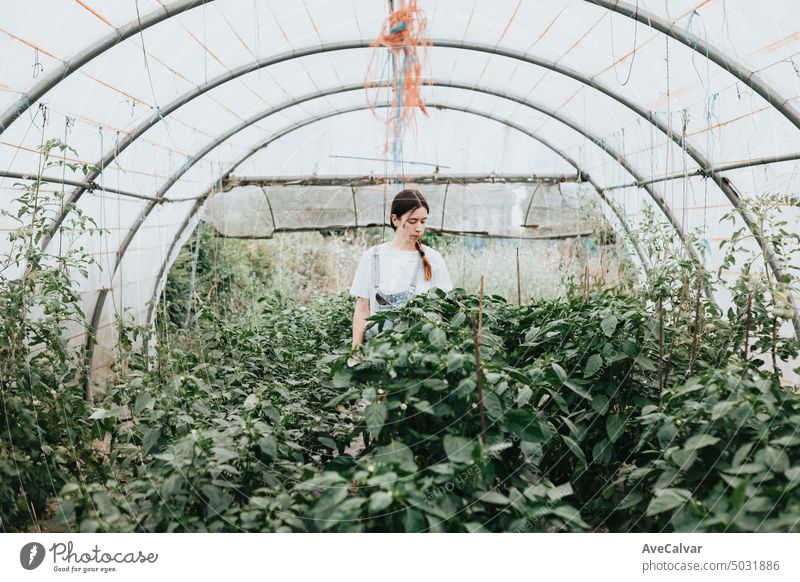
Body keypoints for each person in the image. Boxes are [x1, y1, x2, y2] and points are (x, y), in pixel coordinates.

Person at [349, 189, 453, 351]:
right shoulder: (373, 257)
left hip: (418, 354)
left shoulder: (432, 259)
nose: (419, 228)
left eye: (423, 221)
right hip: (375, 351)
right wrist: (355, 352)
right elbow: (362, 310)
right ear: (395, 220)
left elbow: (442, 310)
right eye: (412, 221)